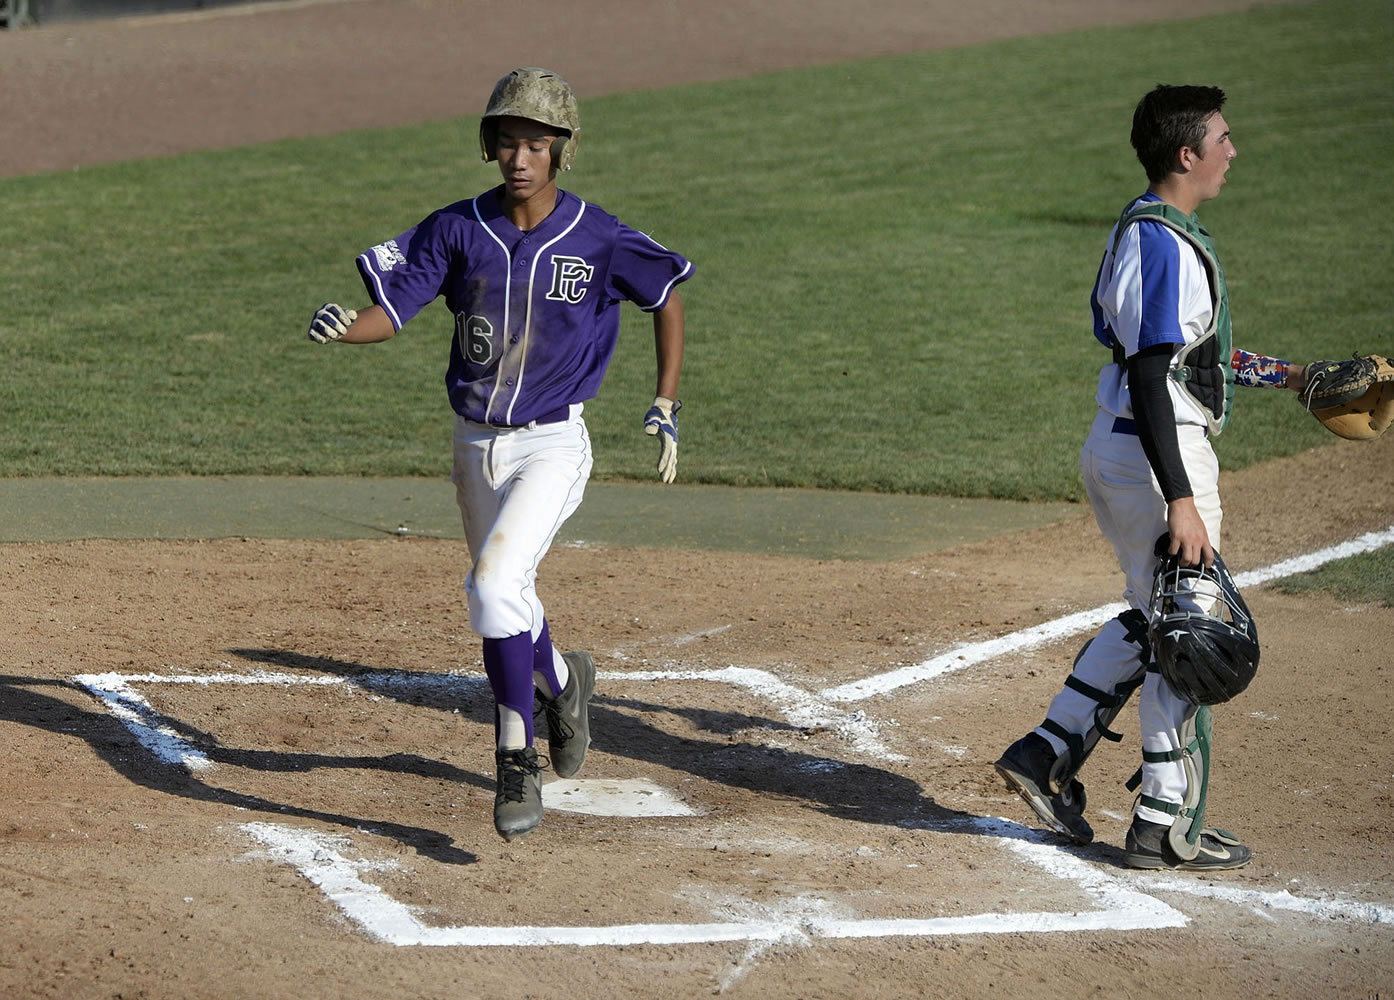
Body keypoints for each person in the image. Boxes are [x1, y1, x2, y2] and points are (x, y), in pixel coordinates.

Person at [305, 67, 693, 842]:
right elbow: (395, 309)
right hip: (472, 444)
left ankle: (514, 758)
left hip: (552, 442)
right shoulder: (455, 229)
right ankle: (564, 680)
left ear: (561, 152)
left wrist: (666, 399)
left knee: (492, 587)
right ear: (490, 145)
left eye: (537, 144)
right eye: (508, 141)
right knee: (504, 599)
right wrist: (349, 326)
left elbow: (667, 297)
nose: (521, 157)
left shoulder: (599, 234)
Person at [994, 84, 1313, 870]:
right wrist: (1181, 499)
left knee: (1155, 612)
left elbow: (1179, 358)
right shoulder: (1164, 244)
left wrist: (1294, 376)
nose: (1233, 152)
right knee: (1193, 631)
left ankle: (1047, 752)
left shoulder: (1152, 230)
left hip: (1124, 446)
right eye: (1223, 139)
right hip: (1157, 455)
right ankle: (1164, 823)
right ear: (1187, 154)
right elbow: (1148, 373)